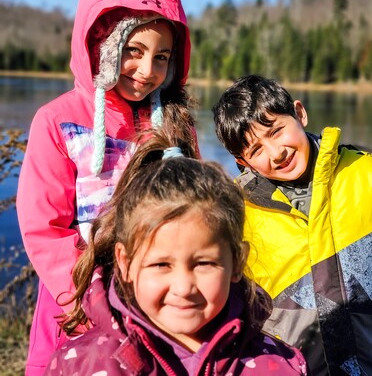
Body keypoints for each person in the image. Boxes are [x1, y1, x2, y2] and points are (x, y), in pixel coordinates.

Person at [16, 0, 198, 375]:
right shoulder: (57, 120)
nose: (148, 70)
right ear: (102, 45)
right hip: (76, 301)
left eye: (161, 57)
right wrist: (90, 301)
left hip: (157, 298)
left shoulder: (174, 125)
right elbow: (44, 228)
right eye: (133, 51)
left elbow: (195, 214)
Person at [43, 129, 309, 376]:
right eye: (161, 265)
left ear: (237, 262)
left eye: (204, 263)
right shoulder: (81, 364)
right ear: (125, 263)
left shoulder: (278, 365)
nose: (183, 288)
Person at [212, 74, 372, 376]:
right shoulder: (238, 220)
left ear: (299, 113)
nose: (277, 153)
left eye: (276, 131)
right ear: (241, 162)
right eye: (256, 150)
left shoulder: (368, 174)